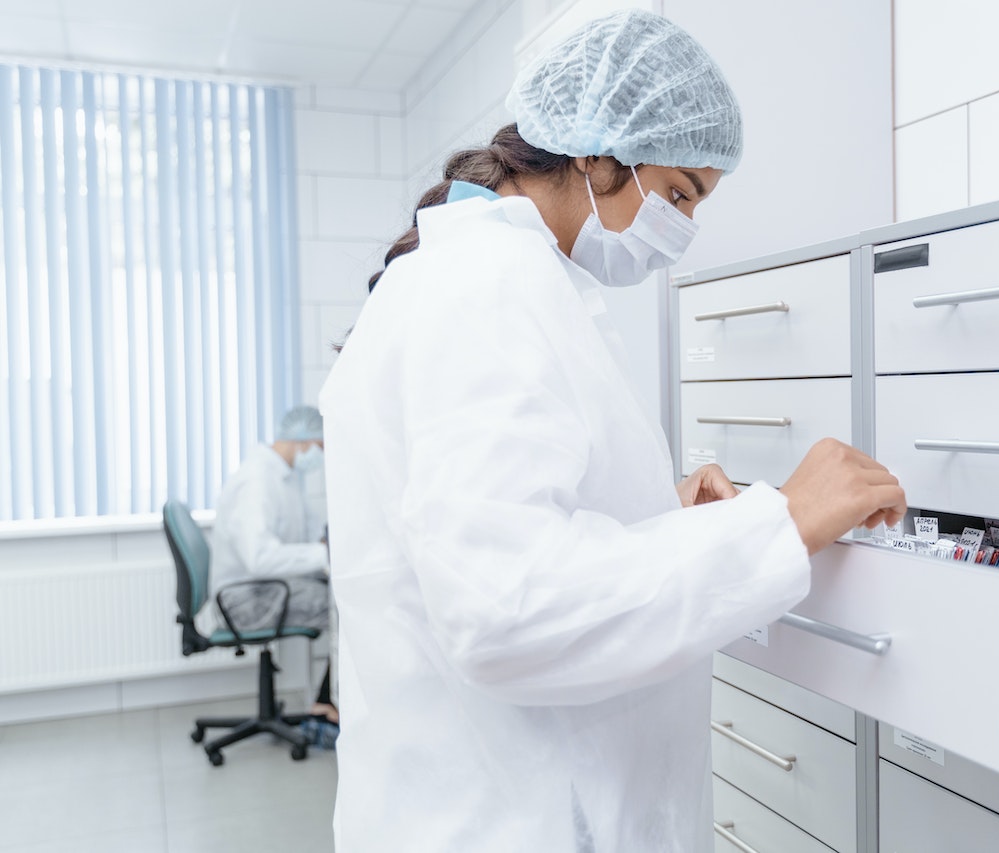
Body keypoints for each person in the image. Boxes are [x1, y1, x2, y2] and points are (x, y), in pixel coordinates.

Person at [319, 10, 905, 852]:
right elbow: (508, 610)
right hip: (510, 819)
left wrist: (648, 513)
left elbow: (481, 530)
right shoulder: (487, 290)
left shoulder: (490, 280)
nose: (683, 227)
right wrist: (775, 522)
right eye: (677, 193)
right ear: (597, 154)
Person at [208, 404, 338, 724]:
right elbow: (259, 558)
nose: (319, 457)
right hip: (244, 600)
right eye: (320, 448)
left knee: (341, 596)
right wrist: (325, 556)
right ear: (304, 440)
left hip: (262, 588)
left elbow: (301, 536)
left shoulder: (285, 478)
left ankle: (326, 701)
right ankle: (326, 704)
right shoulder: (257, 482)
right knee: (346, 606)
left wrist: (323, 549)